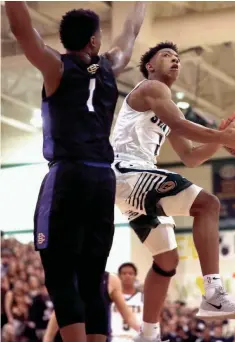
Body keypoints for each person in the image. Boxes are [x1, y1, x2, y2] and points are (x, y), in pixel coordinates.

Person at [5, 2, 146, 342]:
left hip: (68, 176)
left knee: (60, 275)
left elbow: (23, 30)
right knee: (92, 277)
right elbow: (130, 33)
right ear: (95, 42)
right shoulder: (111, 65)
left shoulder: (56, 66)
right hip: (102, 179)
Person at [111, 42, 235, 342]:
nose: (175, 61)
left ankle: (149, 334)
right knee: (208, 204)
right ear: (151, 66)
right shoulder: (151, 87)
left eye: (178, 58)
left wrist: (222, 138)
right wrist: (223, 134)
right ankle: (214, 293)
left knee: (166, 261)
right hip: (127, 170)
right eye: (167, 56)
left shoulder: (167, 105)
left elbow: (191, 157)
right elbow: (180, 124)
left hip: (130, 183)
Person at [43, 272, 140, 342]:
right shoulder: (70, 279)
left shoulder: (111, 280)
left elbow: (128, 315)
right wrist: (48, 338)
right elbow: (60, 311)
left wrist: (147, 332)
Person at [112, 263, 144, 341]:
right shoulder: (111, 297)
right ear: (119, 276)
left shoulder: (143, 297)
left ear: (135, 276)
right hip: (115, 338)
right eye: (124, 273)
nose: (127, 276)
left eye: (130, 273)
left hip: (136, 338)